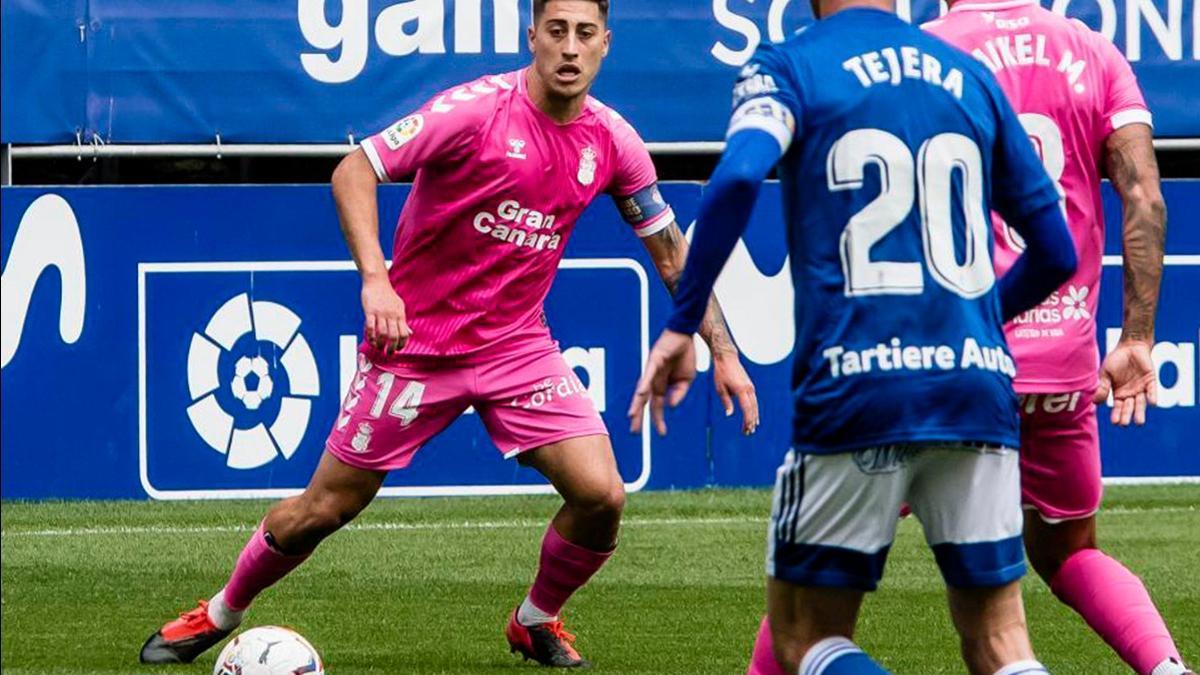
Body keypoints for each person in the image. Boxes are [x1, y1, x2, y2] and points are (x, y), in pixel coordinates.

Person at [139, 0, 758, 668]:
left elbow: (671, 251)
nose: (570, 48)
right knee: (324, 507)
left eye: (585, 34)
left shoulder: (612, 141)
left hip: (517, 348)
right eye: (556, 32)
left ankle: (535, 619)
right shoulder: (475, 111)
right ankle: (221, 610)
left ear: (607, 43)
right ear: (533, 37)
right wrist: (376, 279)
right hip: (415, 348)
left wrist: (724, 350)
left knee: (602, 494)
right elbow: (355, 168)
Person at [627, 0, 1080, 671]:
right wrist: (975, 326)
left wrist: (684, 318)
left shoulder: (789, 67)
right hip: (974, 382)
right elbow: (1056, 251)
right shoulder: (969, 75)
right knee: (1000, 640)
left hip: (858, 386)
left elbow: (740, 175)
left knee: (806, 637)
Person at [924, 5, 1190, 674]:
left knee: (824, 567)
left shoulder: (922, 52)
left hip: (947, 362)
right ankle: (1165, 669)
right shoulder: (1094, 52)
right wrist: (1137, 336)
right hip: (1061, 364)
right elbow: (1144, 197)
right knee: (1069, 550)